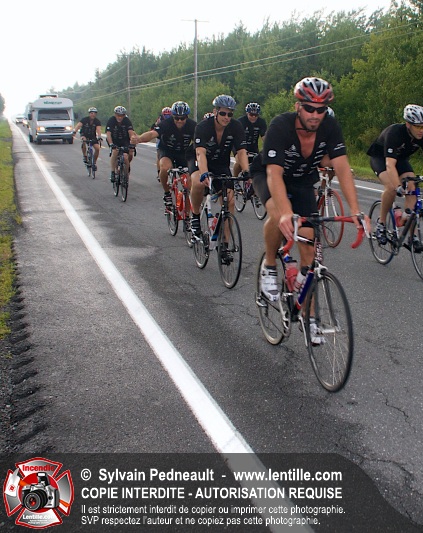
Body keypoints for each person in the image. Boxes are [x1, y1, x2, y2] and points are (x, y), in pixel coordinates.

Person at [252, 77, 368, 342]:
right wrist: (285, 213)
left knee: (310, 252)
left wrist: (356, 211)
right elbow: (274, 174)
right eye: (309, 108)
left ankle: (310, 317)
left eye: (321, 109)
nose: (315, 115)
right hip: (269, 175)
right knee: (277, 213)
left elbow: (342, 167)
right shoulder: (280, 126)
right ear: (298, 106)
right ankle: (269, 266)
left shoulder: (330, 126)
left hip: (303, 181)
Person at [367, 104, 423, 249]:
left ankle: (413, 236)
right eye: (418, 127)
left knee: (412, 187)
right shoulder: (395, 133)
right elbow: (390, 165)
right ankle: (381, 224)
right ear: (408, 124)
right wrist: (398, 186)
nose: (421, 130)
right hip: (381, 158)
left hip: (401, 159)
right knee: (391, 188)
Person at [188, 95, 250, 240]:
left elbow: (241, 151)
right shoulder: (203, 127)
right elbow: (200, 153)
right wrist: (204, 173)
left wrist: (247, 171)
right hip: (199, 160)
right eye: (223, 113)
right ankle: (195, 216)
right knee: (198, 182)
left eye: (230, 114)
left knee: (230, 202)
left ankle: (226, 243)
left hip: (221, 163)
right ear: (215, 112)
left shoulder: (236, 127)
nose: (226, 117)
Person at [134, 101, 197, 210]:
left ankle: (187, 216)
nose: (179, 121)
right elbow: (152, 134)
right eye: (176, 118)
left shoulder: (193, 125)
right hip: (167, 150)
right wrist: (139, 139)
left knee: (189, 184)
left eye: (182, 118)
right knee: (165, 167)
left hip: (183, 152)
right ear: (172, 117)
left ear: (187, 117)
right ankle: (167, 193)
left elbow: (201, 140)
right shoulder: (166, 124)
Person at [105, 106, 138, 182]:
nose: (120, 117)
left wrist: (132, 143)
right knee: (115, 151)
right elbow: (108, 134)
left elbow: (131, 132)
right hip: (114, 140)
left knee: (127, 156)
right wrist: (111, 144)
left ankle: (126, 172)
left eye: (122, 115)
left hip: (124, 140)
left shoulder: (126, 120)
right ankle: (113, 172)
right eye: (118, 115)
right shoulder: (111, 120)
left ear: (124, 115)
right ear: (115, 114)